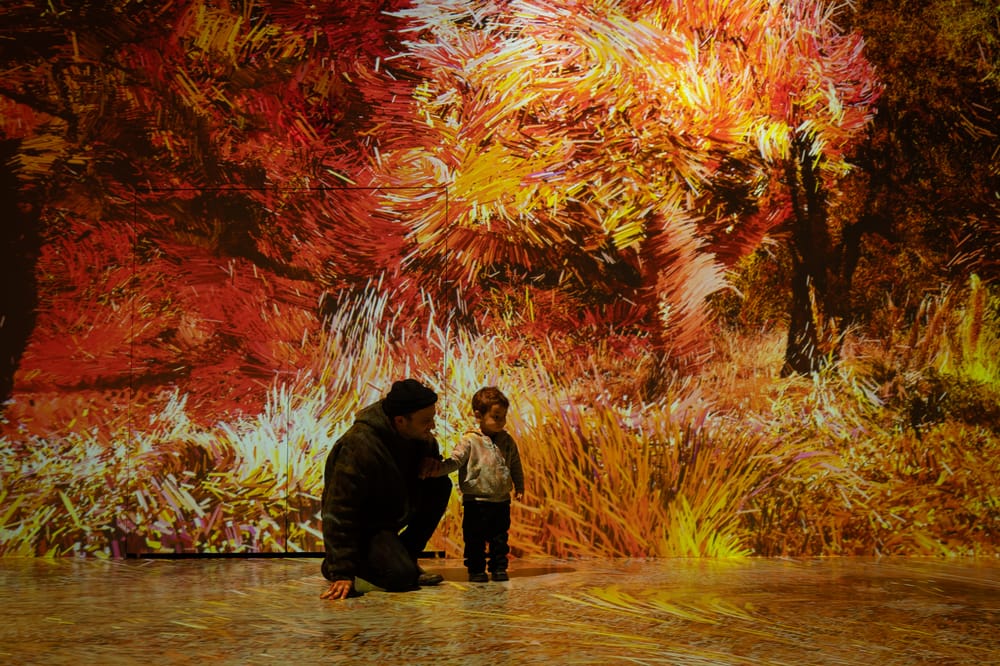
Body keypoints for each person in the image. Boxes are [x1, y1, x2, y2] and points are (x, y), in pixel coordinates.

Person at [320, 379, 452, 600]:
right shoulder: (358, 446)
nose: (432, 426)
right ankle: (337, 565)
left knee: (440, 484)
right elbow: (338, 510)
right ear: (400, 421)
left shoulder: (419, 436)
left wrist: (432, 462)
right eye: (426, 421)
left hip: (390, 519)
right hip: (367, 527)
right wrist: (342, 572)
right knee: (400, 578)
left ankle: (406, 557)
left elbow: (429, 451)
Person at [421, 386, 524, 582]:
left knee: (499, 539)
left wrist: (519, 485)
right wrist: (437, 470)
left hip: (501, 501)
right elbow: (456, 461)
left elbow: (515, 464)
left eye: (503, 417)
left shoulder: (507, 441)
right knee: (474, 538)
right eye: (496, 416)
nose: (501, 421)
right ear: (479, 415)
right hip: (476, 501)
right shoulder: (469, 441)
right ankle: (476, 569)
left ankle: (498, 568)